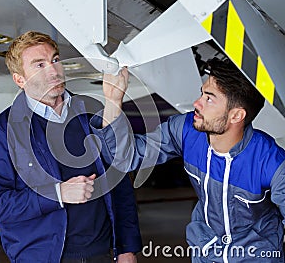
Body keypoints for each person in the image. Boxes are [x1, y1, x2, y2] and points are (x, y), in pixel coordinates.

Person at [91, 58, 285, 262]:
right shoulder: (185, 130)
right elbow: (125, 157)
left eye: (209, 99)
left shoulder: (273, 164)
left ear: (236, 115)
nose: (196, 103)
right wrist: (113, 100)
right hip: (205, 254)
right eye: (202, 93)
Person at [0, 31, 142, 263]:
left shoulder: (91, 114)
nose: (54, 71)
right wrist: (57, 194)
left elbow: (120, 181)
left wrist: (127, 247)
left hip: (102, 253)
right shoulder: (1, 132)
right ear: (20, 79)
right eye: (40, 65)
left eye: (55, 60)